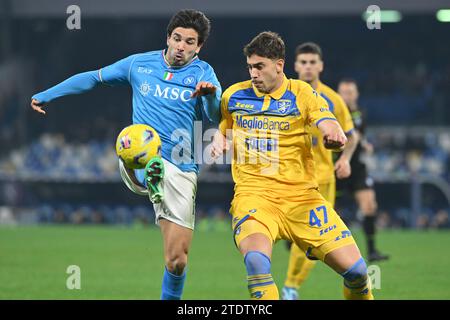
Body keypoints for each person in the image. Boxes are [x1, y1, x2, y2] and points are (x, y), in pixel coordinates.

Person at [30, 9, 222, 300]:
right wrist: (48, 94)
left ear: (199, 47)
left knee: (177, 261)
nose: (181, 46)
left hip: (182, 168)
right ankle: (148, 175)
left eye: (190, 42)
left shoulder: (204, 74)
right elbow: (94, 78)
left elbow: (213, 115)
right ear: (168, 37)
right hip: (139, 155)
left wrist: (209, 95)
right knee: (139, 147)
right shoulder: (138, 65)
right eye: (177, 38)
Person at [211, 31, 373, 300]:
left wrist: (334, 134)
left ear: (279, 65)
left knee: (357, 272)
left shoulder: (302, 93)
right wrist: (219, 139)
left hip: (303, 199)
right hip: (255, 197)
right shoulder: (234, 96)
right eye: (250, 66)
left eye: (259, 66)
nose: (253, 73)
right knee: (256, 264)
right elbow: (225, 125)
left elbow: (327, 120)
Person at [281, 42, 359, 300]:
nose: (307, 67)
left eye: (312, 62)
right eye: (303, 62)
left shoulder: (333, 100)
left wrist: (345, 158)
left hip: (320, 180)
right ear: (295, 66)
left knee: (312, 238)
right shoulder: (283, 93)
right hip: (284, 178)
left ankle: (291, 287)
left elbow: (352, 136)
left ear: (321, 66)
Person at [337, 78, 389, 262]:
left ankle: (372, 250)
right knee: (328, 211)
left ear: (356, 94)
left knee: (369, 206)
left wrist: (365, 144)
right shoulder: (333, 113)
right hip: (336, 166)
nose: (346, 96)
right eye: (343, 92)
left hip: (356, 166)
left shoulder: (360, 114)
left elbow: (359, 136)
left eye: (350, 92)